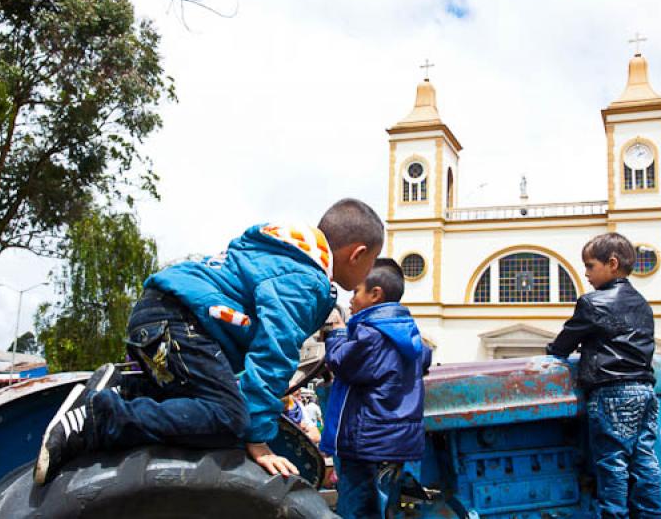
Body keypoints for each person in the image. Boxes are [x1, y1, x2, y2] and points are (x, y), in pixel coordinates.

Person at [34, 198, 384, 485]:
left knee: (199, 405)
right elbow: (274, 353)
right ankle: (98, 418)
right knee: (230, 419)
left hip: (155, 314)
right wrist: (257, 439)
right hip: (184, 321)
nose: (364, 277)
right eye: (369, 266)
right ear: (358, 253)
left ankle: (129, 391)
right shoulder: (307, 281)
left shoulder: (276, 254)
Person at [546, 232, 661, 518]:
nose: (586, 274)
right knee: (645, 461)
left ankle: (614, 515)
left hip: (611, 392)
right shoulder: (643, 304)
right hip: (645, 390)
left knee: (612, 464)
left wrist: (552, 350)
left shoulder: (593, 303)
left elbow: (562, 344)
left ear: (611, 264)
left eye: (590, 266)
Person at [320, 258, 431, 519]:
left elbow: (342, 363)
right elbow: (423, 358)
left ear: (375, 295)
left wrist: (336, 333)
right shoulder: (406, 333)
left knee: (359, 508)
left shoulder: (371, 336)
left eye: (356, 292)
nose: (350, 300)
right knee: (381, 505)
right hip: (391, 443)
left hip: (365, 443)